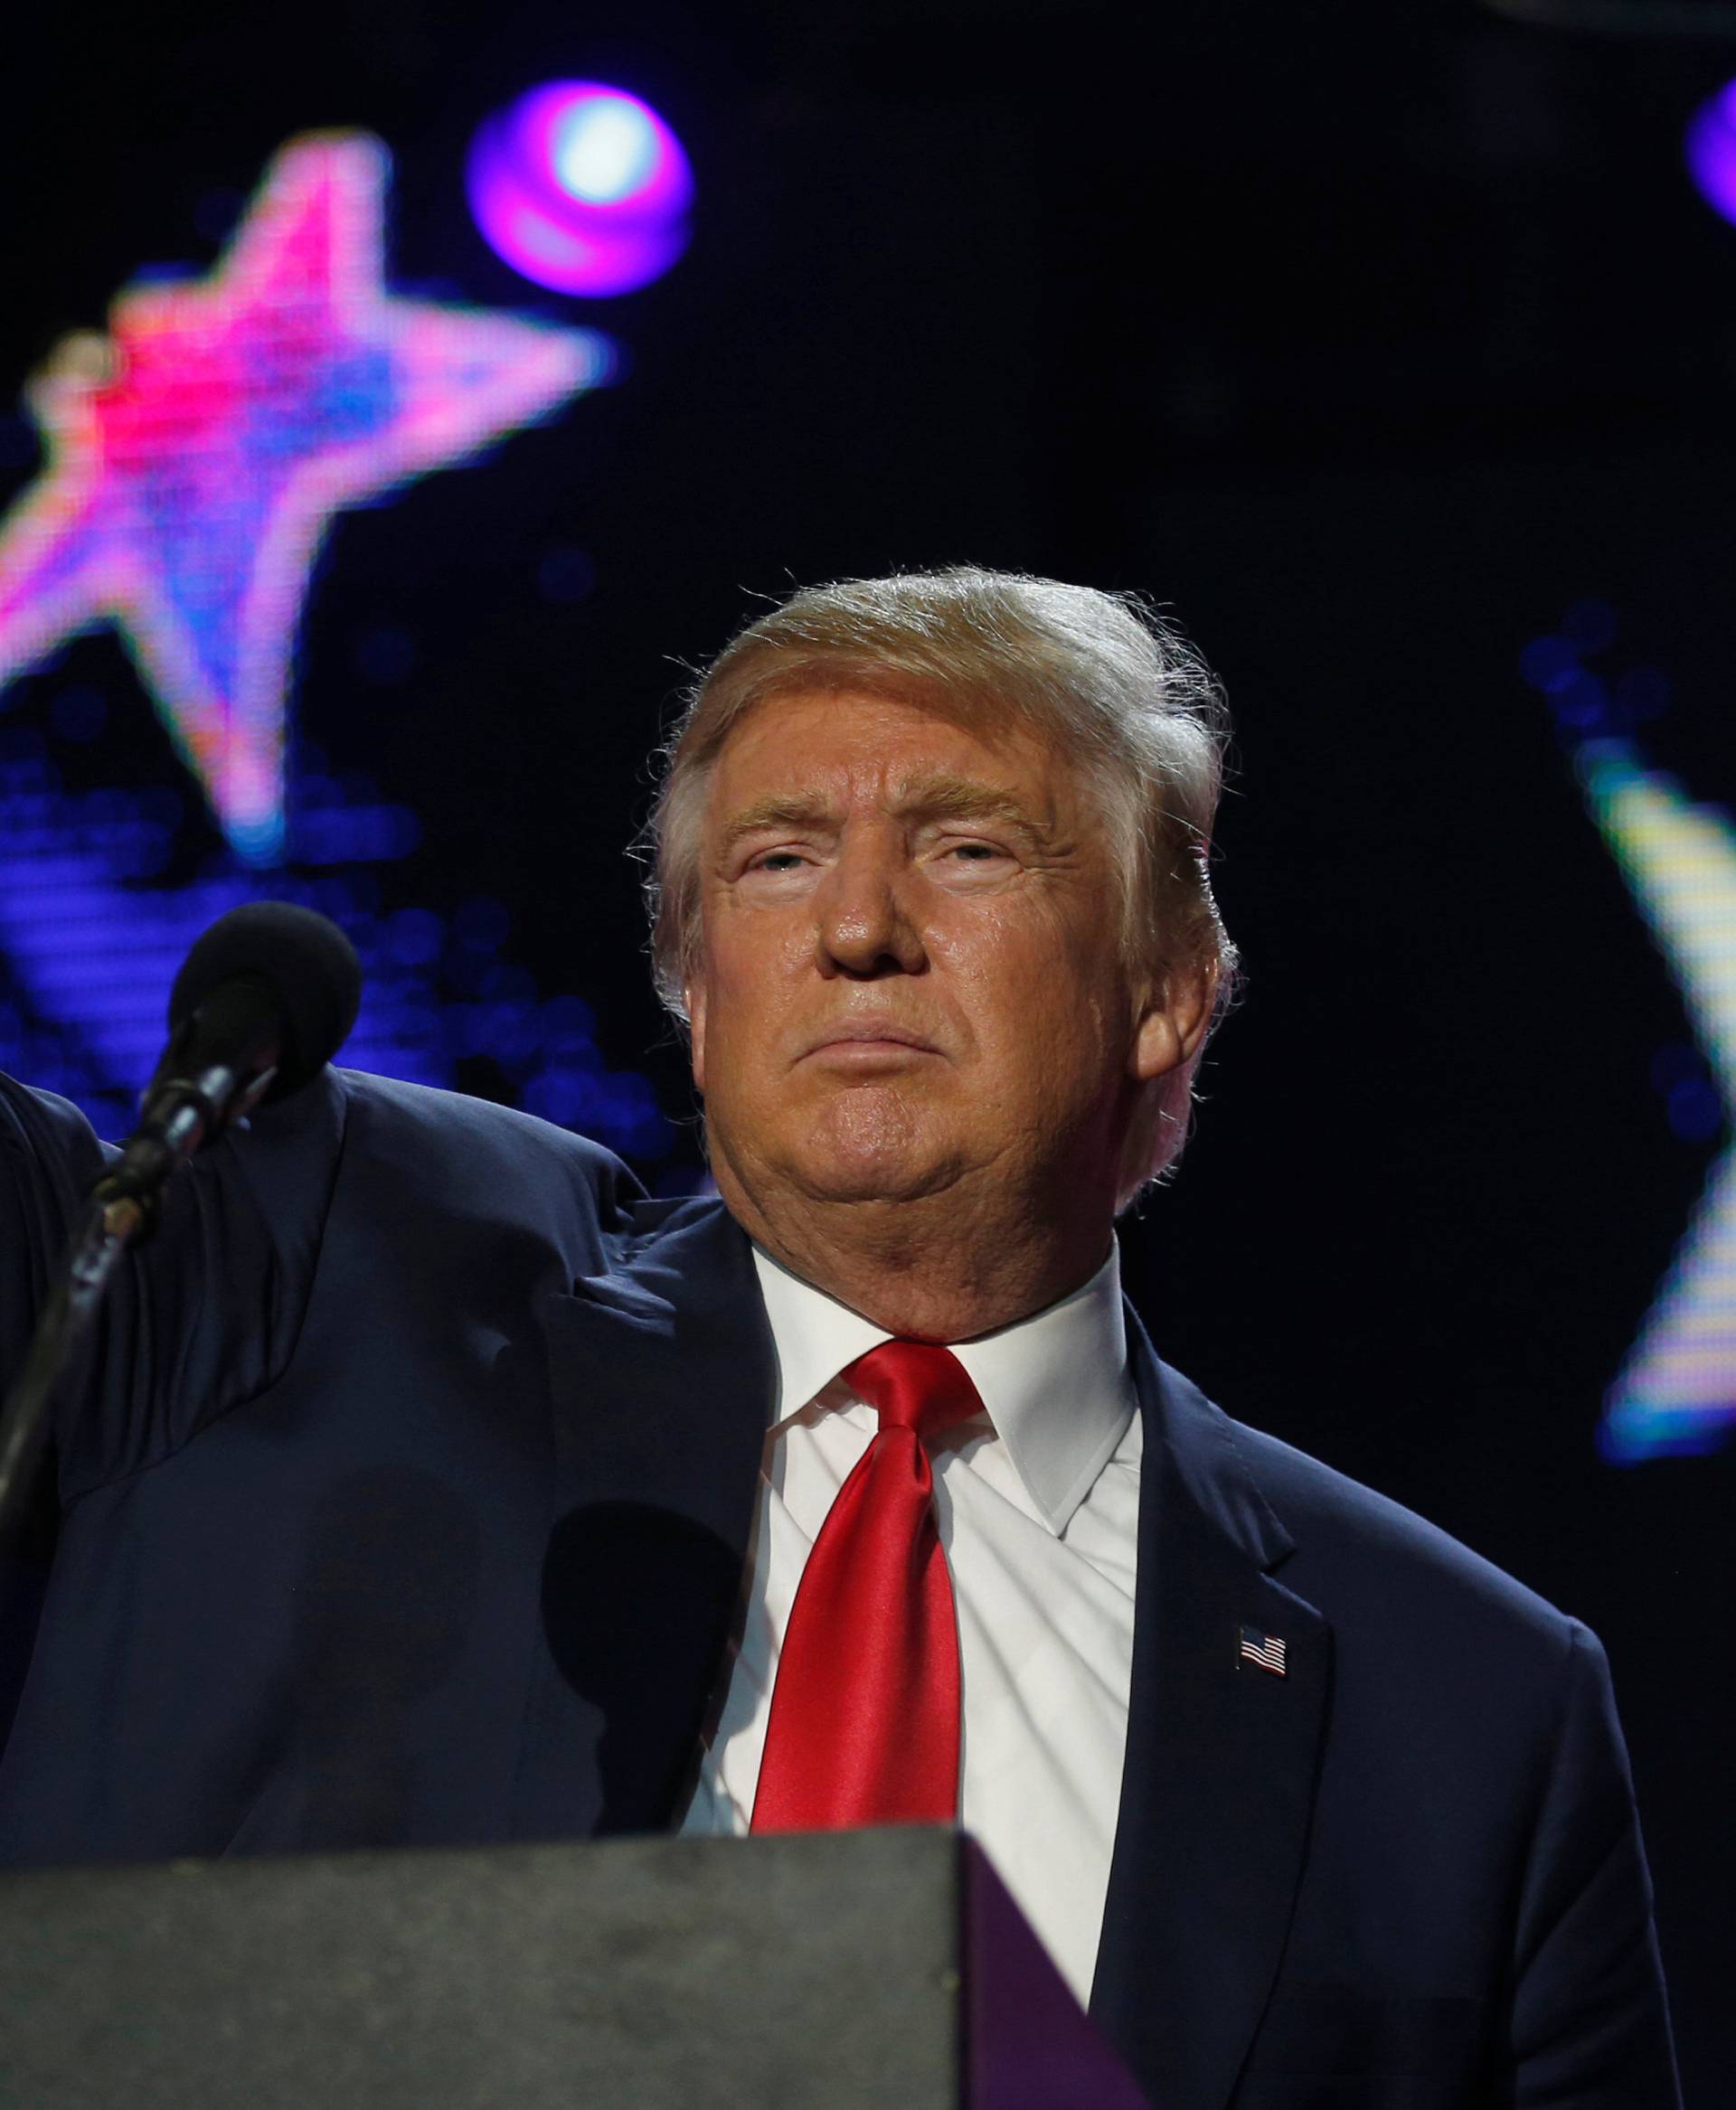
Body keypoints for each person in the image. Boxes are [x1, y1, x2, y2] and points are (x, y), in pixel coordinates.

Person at [0, 569, 1679, 2107]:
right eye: (778, 857)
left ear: (1169, 983)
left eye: (970, 847)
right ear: (699, 988)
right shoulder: (331, 1259)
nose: (857, 927)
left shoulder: (1466, 1713)